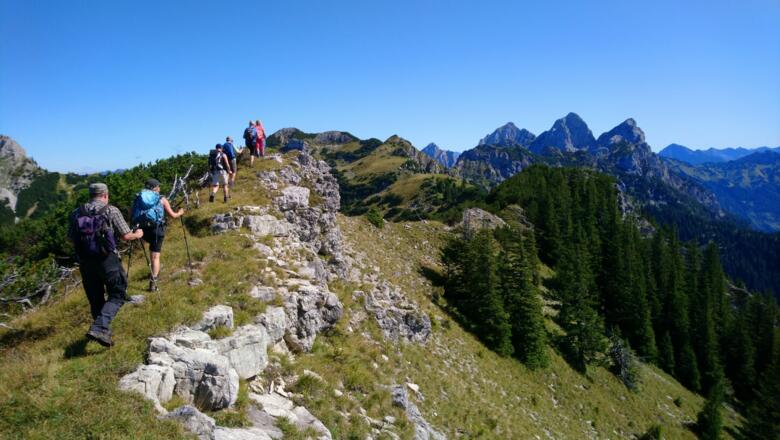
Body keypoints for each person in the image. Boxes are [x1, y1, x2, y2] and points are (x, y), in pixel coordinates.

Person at [68, 183, 143, 347]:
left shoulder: (76, 213)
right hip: (107, 260)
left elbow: (71, 238)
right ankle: (100, 327)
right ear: (105, 195)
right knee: (118, 294)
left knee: (96, 299)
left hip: (85, 262)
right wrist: (138, 233)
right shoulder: (111, 210)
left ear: (91, 195)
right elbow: (126, 236)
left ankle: (103, 333)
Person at [131, 178, 185, 292]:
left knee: (152, 252)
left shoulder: (139, 197)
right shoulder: (161, 199)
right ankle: (153, 283)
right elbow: (173, 215)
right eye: (158, 186)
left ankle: (153, 273)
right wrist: (180, 212)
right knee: (156, 256)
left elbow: (133, 213)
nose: (160, 188)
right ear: (155, 188)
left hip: (142, 230)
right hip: (157, 229)